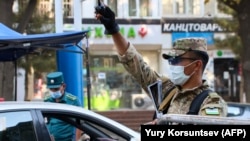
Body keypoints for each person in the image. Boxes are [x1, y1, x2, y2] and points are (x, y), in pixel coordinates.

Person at [94, 3, 228, 122]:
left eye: (177, 60)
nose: (172, 65)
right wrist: (113, 30)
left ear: (197, 65)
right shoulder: (168, 89)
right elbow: (136, 65)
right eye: (170, 60)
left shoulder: (211, 103)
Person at [44, 71, 83, 141]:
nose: (53, 92)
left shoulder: (73, 101)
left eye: (56, 89)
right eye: (51, 89)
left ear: (64, 86)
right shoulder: (47, 101)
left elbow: (79, 124)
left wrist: (77, 140)